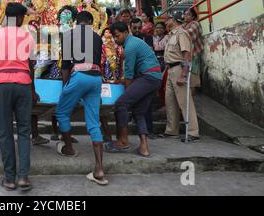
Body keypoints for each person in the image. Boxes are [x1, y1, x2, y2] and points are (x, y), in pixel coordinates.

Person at [0, 2, 38, 192]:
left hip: (2, 85)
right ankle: (23, 177)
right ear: (20, 18)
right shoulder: (28, 36)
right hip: (23, 84)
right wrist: (32, 90)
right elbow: (31, 66)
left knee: (4, 132)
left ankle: (9, 178)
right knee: (24, 131)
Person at [56, 11, 108, 186]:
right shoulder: (97, 37)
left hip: (79, 76)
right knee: (93, 122)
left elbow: (65, 65)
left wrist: (66, 88)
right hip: (95, 78)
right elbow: (98, 61)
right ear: (90, 22)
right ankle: (99, 169)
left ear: (75, 22)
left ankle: (69, 148)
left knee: (62, 112)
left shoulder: (69, 35)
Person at [107, 21, 162, 157]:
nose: (115, 39)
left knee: (121, 104)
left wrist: (127, 93)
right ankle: (144, 147)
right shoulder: (133, 42)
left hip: (148, 77)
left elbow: (129, 74)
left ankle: (124, 141)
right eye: (113, 37)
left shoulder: (130, 46)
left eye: (117, 36)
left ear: (126, 32)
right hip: (153, 78)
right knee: (139, 112)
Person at [163, 12, 199, 142]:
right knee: (170, 100)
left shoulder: (181, 33)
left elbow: (187, 55)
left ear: (173, 20)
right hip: (171, 69)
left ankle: (193, 132)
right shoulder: (172, 35)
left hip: (179, 68)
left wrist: (183, 74)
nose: (165, 22)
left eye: (167, 20)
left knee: (184, 101)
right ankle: (172, 130)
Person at [182, 8, 203, 91]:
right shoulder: (184, 25)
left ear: (193, 16)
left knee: (192, 78)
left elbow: (189, 34)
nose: (186, 16)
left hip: (193, 54)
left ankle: (192, 98)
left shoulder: (195, 23)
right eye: (185, 14)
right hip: (187, 54)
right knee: (187, 77)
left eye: (188, 14)